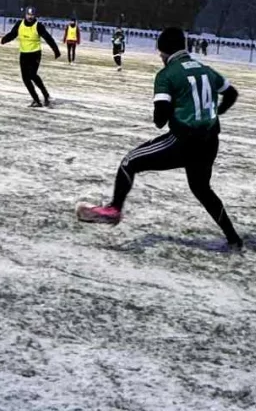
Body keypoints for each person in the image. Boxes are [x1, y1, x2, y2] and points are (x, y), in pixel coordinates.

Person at [76, 27, 244, 251]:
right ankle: (233, 238)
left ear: (164, 51)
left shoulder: (167, 75)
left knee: (129, 162)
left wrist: (172, 108)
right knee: (202, 189)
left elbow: (160, 119)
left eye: (160, 52)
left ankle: (114, 209)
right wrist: (216, 112)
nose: (160, 56)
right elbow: (231, 94)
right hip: (210, 141)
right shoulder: (206, 70)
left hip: (184, 141)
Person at [1, 7, 61, 108]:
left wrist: (56, 50)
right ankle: (36, 100)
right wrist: (5, 39)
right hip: (24, 54)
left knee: (32, 75)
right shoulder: (19, 24)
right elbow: (13, 34)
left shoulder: (38, 26)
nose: (30, 17)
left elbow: (48, 38)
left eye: (32, 15)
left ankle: (46, 95)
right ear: (25, 15)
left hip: (35, 54)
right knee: (25, 78)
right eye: (28, 15)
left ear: (35, 16)